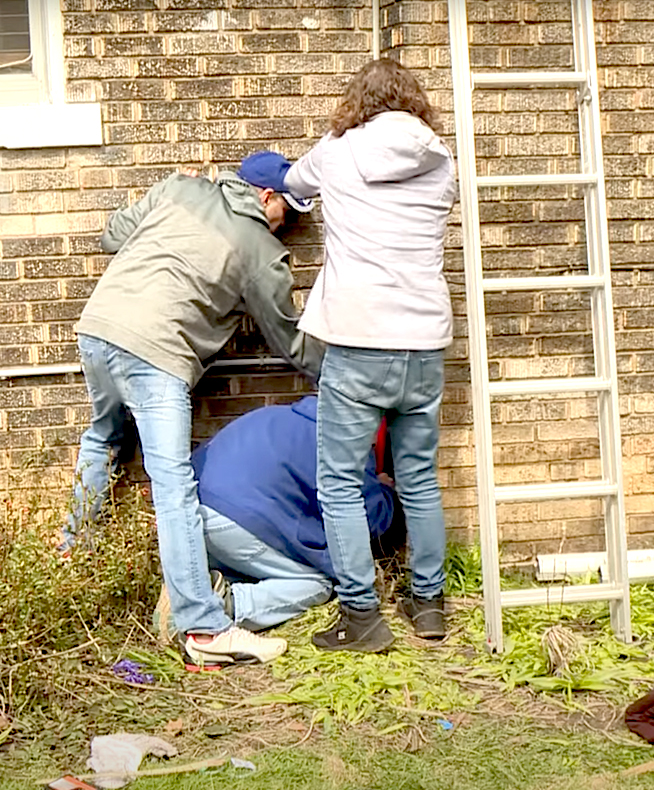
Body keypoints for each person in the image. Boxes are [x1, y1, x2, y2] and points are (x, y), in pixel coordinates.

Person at [68, 157, 323, 670]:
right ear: (267, 198)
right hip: (156, 353)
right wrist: (341, 380)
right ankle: (205, 628)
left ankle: (74, 555)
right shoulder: (261, 250)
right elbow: (291, 339)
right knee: (175, 488)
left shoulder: (178, 188)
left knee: (102, 439)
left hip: (98, 330)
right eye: (287, 215)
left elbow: (112, 233)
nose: (286, 228)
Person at [252, 58, 456, 652]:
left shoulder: (337, 151)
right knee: (418, 477)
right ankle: (430, 605)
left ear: (356, 105)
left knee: (338, 481)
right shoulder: (440, 158)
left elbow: (292, 185)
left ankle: (362, 616)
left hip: (361, 339)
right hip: (423, 342)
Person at [184, 395, 397, 633]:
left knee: (255, 568)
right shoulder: (345, 441)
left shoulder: (280, 416)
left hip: (192, 515)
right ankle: (222, 607)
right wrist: (384, 491)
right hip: (237, 520)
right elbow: (369, 518)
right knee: (318, 583)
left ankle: (190, 596)